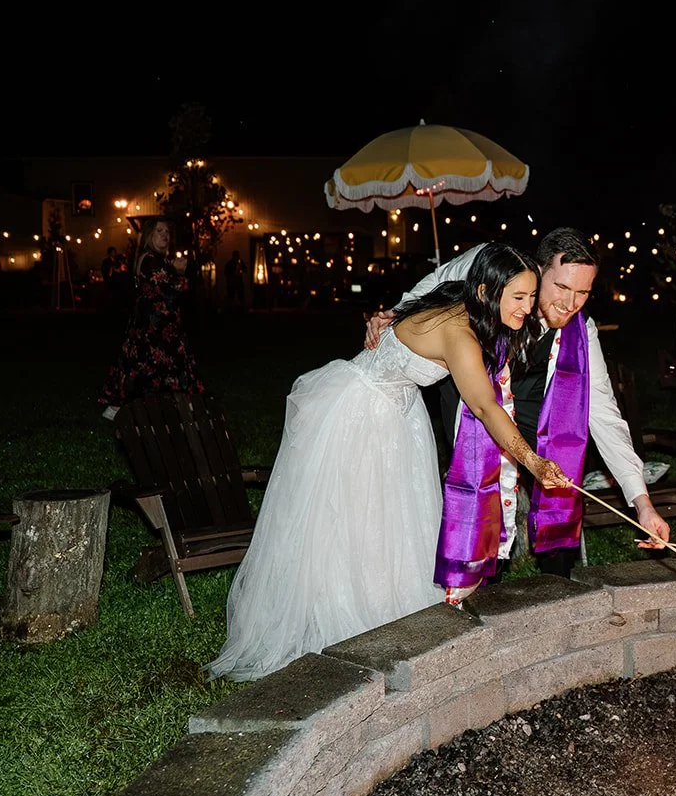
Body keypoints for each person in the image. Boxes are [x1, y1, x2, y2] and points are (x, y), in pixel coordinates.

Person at [207, 243, 569, 681]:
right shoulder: (459, 334)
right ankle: (345, 618)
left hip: (397, 411)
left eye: (532, 298)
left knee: (394, 519)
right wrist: (533, 461)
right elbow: (486, 407)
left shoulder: (461, 300)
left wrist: (387, 315)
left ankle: (389, 606)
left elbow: (421, 301)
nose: (528, 308)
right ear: (486, 289)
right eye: (519, 297)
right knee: (355, 520)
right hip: (361, 414)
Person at [366, 228, 669, 581]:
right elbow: (438, 281)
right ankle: (477, 581)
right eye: (562, 288)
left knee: (559, 467)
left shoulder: (582, 331)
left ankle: (558, 582)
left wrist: (642, 504)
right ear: (539, 271)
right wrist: (395, 313)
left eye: (583, 292)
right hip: (476, 386)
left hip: (530, 396)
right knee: (480, 474)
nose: (570, 304)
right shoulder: (493, 268)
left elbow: (604, 416)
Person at [100, 220, 203, 419]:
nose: (165, 235)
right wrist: (180, 272)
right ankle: (121, 408)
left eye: (167, 231)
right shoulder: (149, 260)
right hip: (150, 328)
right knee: (143, 367)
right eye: (159, 231)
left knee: (164, 367)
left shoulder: (159, 260)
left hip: (162, 327)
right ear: (149, 235)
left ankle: (177, 406)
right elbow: (173, 284)